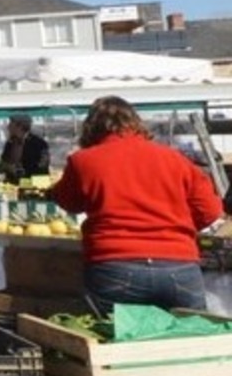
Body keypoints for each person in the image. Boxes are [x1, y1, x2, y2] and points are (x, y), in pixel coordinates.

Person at [50, 96, 223, 313]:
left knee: (117, 341)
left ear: (91, 128)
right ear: (136, 122)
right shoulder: (174, 158)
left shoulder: (83, 160)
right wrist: (176, 228)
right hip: (179, 263)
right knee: (190, 342)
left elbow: (68, 201)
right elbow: (210, 210)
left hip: (113, 264)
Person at [0, 114, 51, 184]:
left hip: (34, 184)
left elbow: (43, 165)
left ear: (20, 126)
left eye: (11, 124)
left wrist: (20, 171)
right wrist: (6, 167)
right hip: (14, 184)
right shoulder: (10, 143)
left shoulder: (38, 143)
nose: (8, 127)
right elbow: (3, 161)